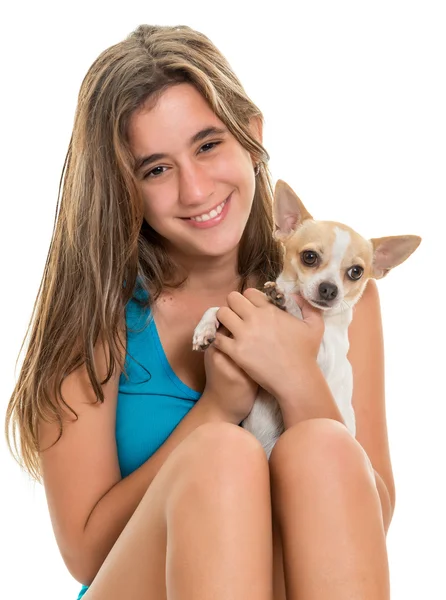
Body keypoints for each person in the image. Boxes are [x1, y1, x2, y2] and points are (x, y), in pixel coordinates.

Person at [5, 24, 394, 600]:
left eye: (208, 145)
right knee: (222, 455)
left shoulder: (334, 294)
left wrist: (297, 377)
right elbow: (85, 552)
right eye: (155, 169)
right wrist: (216, 408)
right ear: (123, 188)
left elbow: (369, 518)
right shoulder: (98, 318)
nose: (195, 189)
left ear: (251, 136)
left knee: (323, 445)